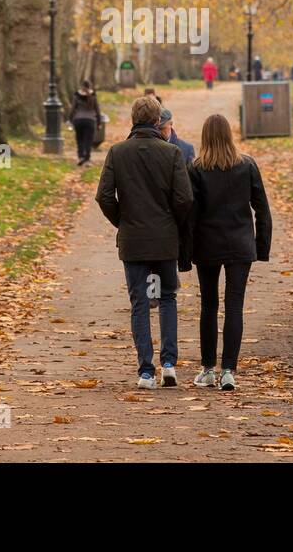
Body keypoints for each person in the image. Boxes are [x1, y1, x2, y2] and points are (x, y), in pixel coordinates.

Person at [95, 96, 194, 389]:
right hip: (164, 239)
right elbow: (185, 198)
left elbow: (104, 196)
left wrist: (123, 221)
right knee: (167, 298)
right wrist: (171, 222)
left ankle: (145, 371)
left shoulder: (117, 152)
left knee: (139, 302)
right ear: (156, 121)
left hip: (133, 239)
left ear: (132, 120)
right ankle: (168, 363)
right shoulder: (172, 153)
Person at [188, 114, 271, 392]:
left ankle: (208, 368)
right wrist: (261, 248)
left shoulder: (197, 169)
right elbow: (262, 208)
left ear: (205, 137)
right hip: (240, 244)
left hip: (207, 244)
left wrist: (185, 252)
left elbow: (191, 214)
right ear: (229, 134)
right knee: (235, 306)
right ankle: (229, 371)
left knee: (209, 305)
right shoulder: (246, 165)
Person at [66, 80, 101, 166]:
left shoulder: (77, 96)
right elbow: (97, 111)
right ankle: (87, 159)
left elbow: (72, 109)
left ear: (82, 86)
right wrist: (98, 122)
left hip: (78, 120)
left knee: (79, 139)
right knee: (88, 140)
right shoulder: (93, 96)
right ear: (90, 86)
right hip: (90, 120)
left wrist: (70, 119)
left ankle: (80, 157)